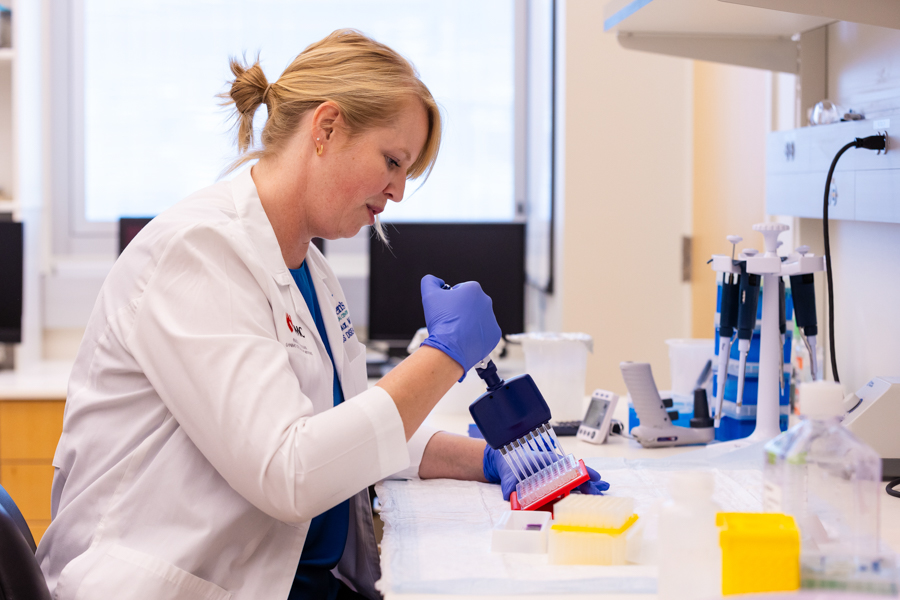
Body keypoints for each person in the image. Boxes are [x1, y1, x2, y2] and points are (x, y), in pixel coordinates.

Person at [36, 29, 607, 600]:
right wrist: (443, 356)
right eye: (392, 161)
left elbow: (348, 429)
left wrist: (483, 460)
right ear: (327, 128)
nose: (399, 192)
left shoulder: (307, 265)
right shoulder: (198, 253)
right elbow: (291, 471)